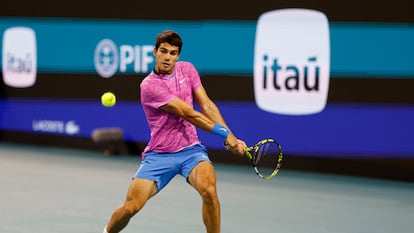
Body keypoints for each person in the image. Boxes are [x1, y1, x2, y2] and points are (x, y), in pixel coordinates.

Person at [102, 29, 247, 233]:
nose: (167, 57)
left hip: (191, 152)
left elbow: (207, 105)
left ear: (178, 55)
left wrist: (232, 136)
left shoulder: (187, 70)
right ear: (155, 52)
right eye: (163, 51)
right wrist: (225, 135)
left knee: (209, 192)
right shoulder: (149, 86)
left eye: (172, 53)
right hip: (159, 155)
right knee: (130, 207)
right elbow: (188, 113)